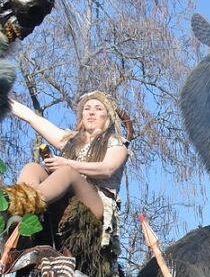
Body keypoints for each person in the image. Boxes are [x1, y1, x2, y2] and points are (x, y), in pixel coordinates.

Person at [8, 91, 129, 249]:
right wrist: (4, 98)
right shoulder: (71, 140)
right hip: (65, 197)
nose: (91, 112)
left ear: (108, 116)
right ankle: (18, 213)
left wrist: (68, 164)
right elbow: (32, 118)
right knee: (33, 168)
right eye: (87, 108)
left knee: (67, 172)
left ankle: (26, 206)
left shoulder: (117, 143)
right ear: (81, 116)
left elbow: (107, 169)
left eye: (99, 109)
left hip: (95, 204)